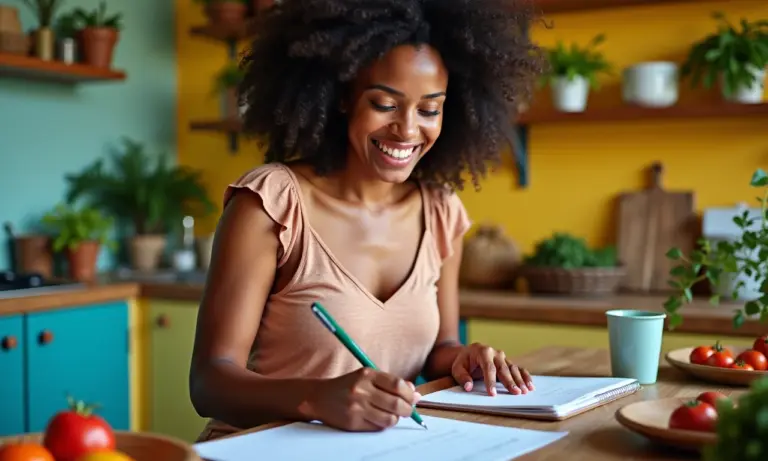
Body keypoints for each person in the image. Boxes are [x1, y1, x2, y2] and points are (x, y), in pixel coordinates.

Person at [189, 0, 544, 441]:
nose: (408, 130)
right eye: (384, 103)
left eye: (429, 109)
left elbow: (439, 348)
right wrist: (316, 398)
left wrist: (461, 359)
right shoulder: (272, 203)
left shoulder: (440, 212)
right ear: (341, 97)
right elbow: (209, 382)